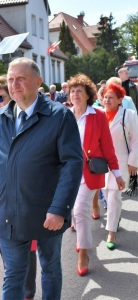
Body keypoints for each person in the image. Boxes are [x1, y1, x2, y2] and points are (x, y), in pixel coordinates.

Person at [0, 57, 83, 300]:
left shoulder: (59, 117)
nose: (15, 85)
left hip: (48, 211)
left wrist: (60, 208)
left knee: (51, 267)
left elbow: (73, 163)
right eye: (11, 80)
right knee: (13, 275)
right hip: (10, 212)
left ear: (38, 81)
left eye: (21, 79)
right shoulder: (1, 118)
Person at [69, 74, 125, 276]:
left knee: (79, 209)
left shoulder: (98, 115)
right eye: (72, 91)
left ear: (88, 95)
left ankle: (83, 252)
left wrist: (117, 173)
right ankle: (82, 241)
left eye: (79, 91)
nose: (75, 94)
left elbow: (108, 147)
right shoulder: (64, 115)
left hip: (89, 172)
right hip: (67, 173)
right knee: (74, 211)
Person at [102, 83, 138, 250]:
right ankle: (115, 217)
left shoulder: (128, 115)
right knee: (106, 194)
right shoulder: (99, 114)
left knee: (115, 196)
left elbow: (136, 139)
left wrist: (133, 161)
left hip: (121, 161)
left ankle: (111, 232)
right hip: (101, 164)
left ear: (119, 100)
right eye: (105, 97)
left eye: (111, 97)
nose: (107, 100)